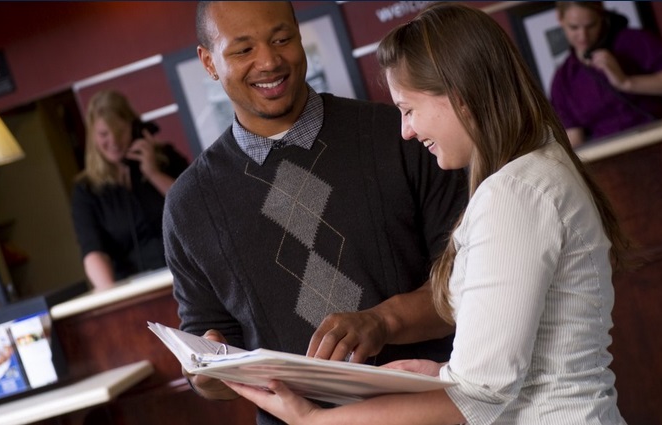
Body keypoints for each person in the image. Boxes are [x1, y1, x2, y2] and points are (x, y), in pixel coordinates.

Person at [225, 2, 631, 424]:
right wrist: (441, 374)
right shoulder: (532, 173)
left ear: (460, 96)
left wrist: (311, 419)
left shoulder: (514, 194)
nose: (407, 130)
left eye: (409, 109)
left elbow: (476, 398)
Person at [163, 1, 467, 424]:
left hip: (435, 412)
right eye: (243, 50)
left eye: (282, 39)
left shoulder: (401, 136)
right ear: (209, 62)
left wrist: (384, 321)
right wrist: (208, 374)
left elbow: (471, 286)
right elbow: (208, 344)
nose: (269, 61)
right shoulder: (188, 205)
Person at [70, 90, 188, 290]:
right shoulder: (86, 190)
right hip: (132, 286)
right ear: (93, 137)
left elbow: (194, 208)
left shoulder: (167, 159)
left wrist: (153, 173)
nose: (114, 142)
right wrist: (112, 298)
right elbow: (93, 251)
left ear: (134, 128)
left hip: (187, 274)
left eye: (120, 132)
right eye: (104, 134)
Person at [550, 1, 662, 147]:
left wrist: (627, 82)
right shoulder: (562, 81)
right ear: (560, 19)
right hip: (611, 164)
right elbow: (575, 141)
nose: (583, 36)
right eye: (574, 28)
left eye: (591, 26)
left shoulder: (633, 41)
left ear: (601, 14)